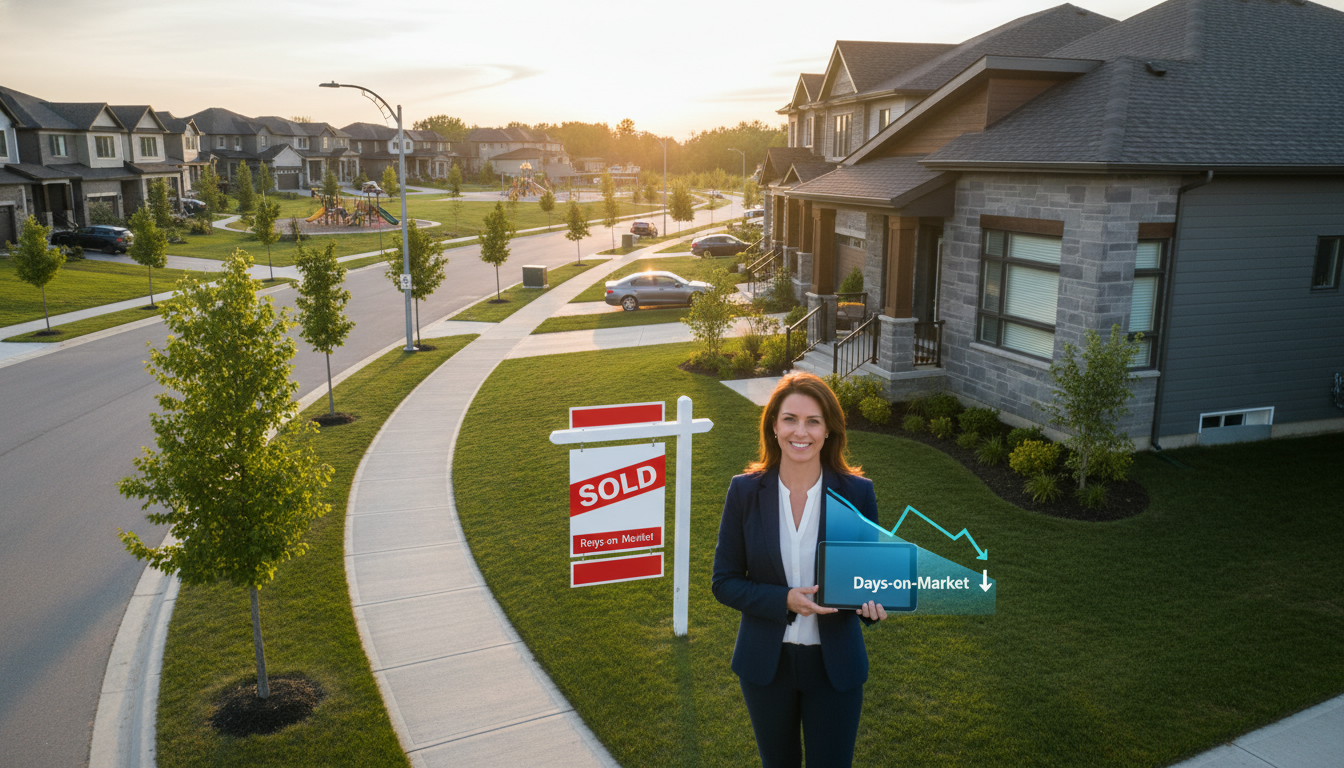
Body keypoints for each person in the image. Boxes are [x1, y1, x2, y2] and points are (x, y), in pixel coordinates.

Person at [712, 372, 887, 768]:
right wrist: (784, 600)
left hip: (835, 667)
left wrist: (872, 605)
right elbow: (724, 582)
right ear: (773, 425)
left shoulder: (857, 494)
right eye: (790, 419)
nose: (800, 432)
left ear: (829, 431)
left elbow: (867, 580)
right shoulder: (744, 491)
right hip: (765, 667)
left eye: (813, 421)